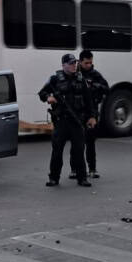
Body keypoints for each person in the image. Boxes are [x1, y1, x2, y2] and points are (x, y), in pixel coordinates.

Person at [38, 53, 96, 187]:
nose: (73, 65)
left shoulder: (81, 79)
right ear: (63, 65)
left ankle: (82, 178)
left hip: (77, 121)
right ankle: (54, 178)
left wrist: (92, 116)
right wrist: (48, 98)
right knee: (57, 151)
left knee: (79, 150)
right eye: (70, 63)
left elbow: (88, 100)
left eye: (74, 63)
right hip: (61, 121)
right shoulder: (55, 79)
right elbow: (42, 93)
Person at [73, 50, 109, 179]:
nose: (89, 65)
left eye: (90, 63)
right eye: (86, 63)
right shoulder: (75, 73)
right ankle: (75, 169)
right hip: (77, 113)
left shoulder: (95, 74)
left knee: (90, 141)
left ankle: (92, 169)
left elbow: (106, 88)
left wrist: (93, 84)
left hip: (91, 112)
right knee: (76, 142)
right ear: (80, 61)